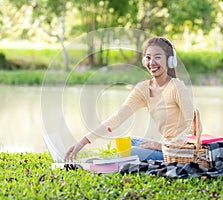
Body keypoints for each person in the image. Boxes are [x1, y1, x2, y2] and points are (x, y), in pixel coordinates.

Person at [65, 37, 195, 162]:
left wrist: (161, 146)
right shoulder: (143, 89)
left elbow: (192, 126)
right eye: (148, 57)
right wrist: (83, 141)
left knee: (130, 153)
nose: (152, 62)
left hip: (177, 151)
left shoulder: (176, 87)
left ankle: (96, 165)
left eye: (158, 57)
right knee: (126, 142)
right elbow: (117, 118)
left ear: (169, 60)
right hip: (165, 145)